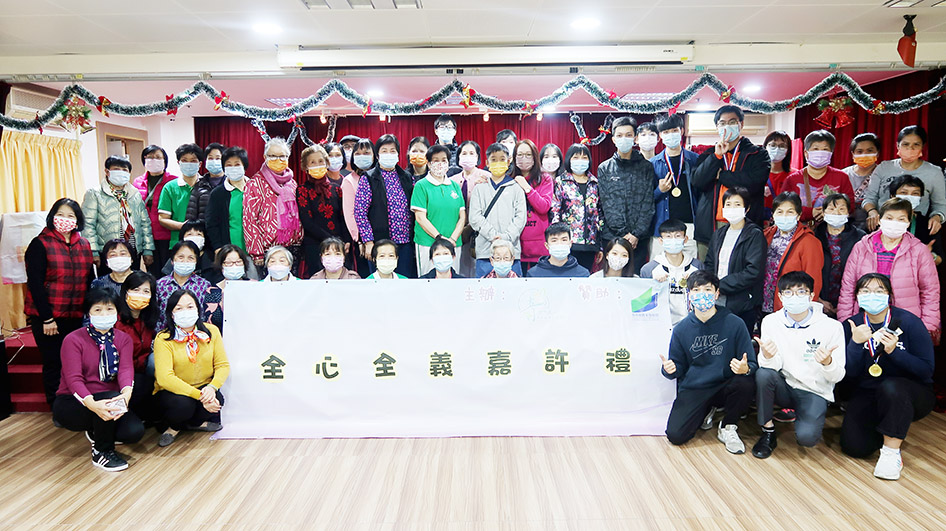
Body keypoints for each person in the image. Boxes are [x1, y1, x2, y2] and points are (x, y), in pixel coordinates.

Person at [840, 273, 935, 480]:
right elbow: (848, 375)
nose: (872, 295)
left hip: (909, 392)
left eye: (879, 291)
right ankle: (888, 428)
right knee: (855, 447)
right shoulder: (852, 325)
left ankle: (891, 452)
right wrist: (855, 344)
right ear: (857, 296)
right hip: (868, 392)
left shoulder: (909, 322)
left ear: (889, 295)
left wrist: (895, 353)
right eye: (865, 291)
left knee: (891, 387)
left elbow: (926, 370)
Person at [660, 270, 757, 454]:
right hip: (696, 387)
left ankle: (728, 426)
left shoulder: (735, 323)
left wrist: (745, 369)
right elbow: (678, 366)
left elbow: (751, 363)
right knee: (675, 435)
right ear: (689, 294)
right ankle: (707, 410)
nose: (702, 294)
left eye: (707, 289)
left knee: (745, 383)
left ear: (717, 293)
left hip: (725, 384)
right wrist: (669, 370)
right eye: (696, 290)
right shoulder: (681, 329)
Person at [752, 271, 845, 459]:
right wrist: (768, 356)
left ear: (811, 296)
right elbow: (771, 366)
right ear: (780, 296)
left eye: (801, 292)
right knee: (763, 374)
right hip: (785, 385)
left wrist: (828, 363)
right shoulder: (771, 322)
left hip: (813, 390)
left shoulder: (832, 327)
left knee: (807, 438)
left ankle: (806, 415)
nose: (794, 297)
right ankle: (768, 431)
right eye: (788, 292)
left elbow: (837, 376)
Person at [52, 288, 143, 471]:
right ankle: (102, 451)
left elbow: (126, 369)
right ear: (89, 313)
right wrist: (92, 404)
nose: (104, 314)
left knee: (134, 432)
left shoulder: (123, 339)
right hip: (75, 401)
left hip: (110, 398)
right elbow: (73, 379)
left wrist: (126, 394)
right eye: (98, 309)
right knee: (106, 401)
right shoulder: (73, 339)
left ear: (117, 312)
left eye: (109, 309)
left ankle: (97, 429)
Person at [25, 198, 94, 405]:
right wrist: (47, 318)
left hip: (75, 316)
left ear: (78, 220)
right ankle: (56, 405)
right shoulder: (40, 244)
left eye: (70, 216)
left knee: (74, 363)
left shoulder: (84, 244)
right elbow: (35, 284)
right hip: (48, 317)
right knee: (53, 362)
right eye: (60, 214)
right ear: (52, 217)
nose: (65, 219)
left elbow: (88, 280)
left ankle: (74, 403)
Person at [839, 197, 940, 338]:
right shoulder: (862, 247)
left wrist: (926, 327)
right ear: (880, 220)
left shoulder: (919, 250)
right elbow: (848, 288)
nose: (894, 223)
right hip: (864, 322)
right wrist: (846, 322)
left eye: (901, 219)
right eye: (889, 218)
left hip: (907, 324)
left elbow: (930, 291)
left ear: (908, 223)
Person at [692, 105, 770, 260]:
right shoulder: (708, 154)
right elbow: (697, 181)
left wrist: (721, 175)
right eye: (722, 123)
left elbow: (753, 183)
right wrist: (716, 157)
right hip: (711, 225)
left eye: (732, 122)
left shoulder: (757, 154)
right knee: (708, 271)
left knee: (739, 268)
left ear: (741, 124)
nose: (727, 126)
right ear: (717, 127)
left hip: (744, 224)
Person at [153, 288, 229, 447]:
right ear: (171, 314)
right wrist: (200, 396)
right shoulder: (163, 338)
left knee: (218, 400)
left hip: (203, 386)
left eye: (190, 307)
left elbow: (222, 365)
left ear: (197, 310)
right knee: (183, 405)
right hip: (174, 392)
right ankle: (173, 427)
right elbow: (165, 378)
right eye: (179, 308)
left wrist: (212, 388)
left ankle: (192, 424)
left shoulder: (211, 331)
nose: (185, 312)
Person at [702, 187, 766, 334]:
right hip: (716, 298)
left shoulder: (754, 234)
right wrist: (711, 285)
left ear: (746, 208)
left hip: (742, 302)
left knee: (737, 341)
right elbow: (710, 263)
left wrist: (721, 285)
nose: (732, 208)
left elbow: (753, 271)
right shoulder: (719, 234)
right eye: (728, 204)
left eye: (737, 204)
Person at [597, 116, 657, 274]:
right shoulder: (605, 168)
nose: (624, 139)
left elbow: (648, 203)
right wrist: (623, 235)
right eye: (619, 135)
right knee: (611, 276)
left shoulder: (646, 167)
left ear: (635, 138)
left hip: (639, 239)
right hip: (612, 237)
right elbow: (607, 204)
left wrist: (636, 234)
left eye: (628, 135)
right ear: (613, 139)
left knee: (634, 278)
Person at [862, 125, 945, 234]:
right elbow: (869, 198)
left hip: (916, 229)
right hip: (882, 225)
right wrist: (872, 211)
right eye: (905, 144)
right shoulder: (884, 168)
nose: (910, 149)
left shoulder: (934, 172)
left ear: (923, 146)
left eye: (916, 144)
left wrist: (937, 217)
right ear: (898, 145)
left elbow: (940, 204)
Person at [354, 134, 416, 278]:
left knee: (403, 281)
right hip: (380, 243)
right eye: (384, 151)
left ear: (398, 155)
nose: (389, 154)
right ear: (377, 155)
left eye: (392, 151)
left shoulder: (407, 177)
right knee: (380, 282)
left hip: (405, 242)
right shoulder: (368, 178)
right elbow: (360, 213)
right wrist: (368, 242)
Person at [82, 155, 153, 268]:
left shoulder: (135, 194)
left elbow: (145, 223)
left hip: (132, 249)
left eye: (124, 170)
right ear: (107, 171)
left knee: (132, 278)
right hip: (108, 251)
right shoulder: (94, 194)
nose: (121, 172)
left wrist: (148, 249)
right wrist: (93, 250)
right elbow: (88, 224)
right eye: (116, 169)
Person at [243, 137, 303, 269]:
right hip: (268, 251)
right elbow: (249, 220)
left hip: (293, 248)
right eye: (273, 156)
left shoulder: (292, 183)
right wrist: (257, 253)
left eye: (282, 156)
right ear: (265, 157)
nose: (278, 160)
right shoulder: (255, 183)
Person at [469, 143, 527, 277]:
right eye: (493, 160)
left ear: (509, 161)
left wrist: (505, 238)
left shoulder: (516, 188)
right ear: (487, 163)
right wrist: (493, 236)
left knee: (514, 288)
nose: (498, 163)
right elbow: (475, 217)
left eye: (502, 159)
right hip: (485, 251)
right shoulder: (479, 188)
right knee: (485, 288)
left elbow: (520, 218)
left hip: (511, 252)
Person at [763, 192, 824, 314]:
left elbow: (814, 280)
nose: (784, 216)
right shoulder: (765, 235)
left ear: (798, 215)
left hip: (791, 306)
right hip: (763, 302)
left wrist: (806, 308)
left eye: (790, 212)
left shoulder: (809, 242)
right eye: (780, 212)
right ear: (773, 215)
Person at [297, 144, 352, 278]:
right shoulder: (302, 190)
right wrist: (330, 240)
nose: (317, 165)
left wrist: (346, 240)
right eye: (313, 162)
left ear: (327, 163)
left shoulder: (336, 189)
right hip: (315, 245)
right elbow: (307, 222)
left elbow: (343, 217)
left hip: (339, 246)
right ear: (305, 166)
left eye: (321, 161)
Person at [410, 144, 466, 276]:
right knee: (428, 280)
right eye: (436, 160)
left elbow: (462, 216)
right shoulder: (421, 186)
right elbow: (420, 218)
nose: (440, 164)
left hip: (453, 244)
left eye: (444, 160)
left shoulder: (454, 186)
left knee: (453, 278)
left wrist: (452, 239)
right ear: (429, 163)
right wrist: (439, 238)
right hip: (428, 243)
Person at [778, 129, 855, 223]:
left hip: (832, 229)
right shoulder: (792, 179)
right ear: (806, 153)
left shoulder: (841, 177)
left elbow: (850, 206)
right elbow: (782, 207)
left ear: (831, 153)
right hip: (801, 229)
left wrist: (830, 212)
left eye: (825, 149)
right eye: (815, 149)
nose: (820, 153)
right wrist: (810, 212)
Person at [652, 113, 700, 258]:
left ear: (682, 131)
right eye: (666, 132)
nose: (671, 135)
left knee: (690, 267)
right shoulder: (653, 164)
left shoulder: (695, 160)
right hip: (662, 226)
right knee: (659, 267)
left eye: (674, 131)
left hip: (690, 226)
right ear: (660, 135)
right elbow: (646, 200)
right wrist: (659, 190)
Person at [115, 271, 159, 422]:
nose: (140, 295)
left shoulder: (149, 319)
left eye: (146, 291)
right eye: (136, 290)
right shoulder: (116, 320)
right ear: (126, 292)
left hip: (142, 371)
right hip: (121, 375)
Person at [641, 219, 703, 325]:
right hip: (661, 324)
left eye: (678, 236)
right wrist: (655, 285)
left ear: (685, 239)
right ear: (661, 240)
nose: (673, 240)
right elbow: (643, 304)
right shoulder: (649, 269)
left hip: (692, 324)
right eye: (668, 237)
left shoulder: (697, 266)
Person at [551, 143, 601, 272]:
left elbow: (599, 213)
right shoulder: (561, 181)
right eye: (576, 157)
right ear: (569, 159)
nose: (580, 161)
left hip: (590, 243)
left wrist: (599, 245)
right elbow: (555, 211)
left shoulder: (595, 183)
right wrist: (557, 240)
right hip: (568, 243)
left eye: (584, 157)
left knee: (585, 277)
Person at [815, 193, 866, 318]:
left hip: (850, 301)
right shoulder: (814, 236)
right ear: (823, 212)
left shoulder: (860, 238)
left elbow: (863, 272)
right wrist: (817, 299)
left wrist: (847, 303)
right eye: (831, 209)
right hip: (819, 301)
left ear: (848, 213)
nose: (836, 213)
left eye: (841, 209)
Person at [133, 145, 177, 277]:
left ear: (165, 161)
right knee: (152, 273)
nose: (153, 160)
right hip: (146, 236)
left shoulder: (173, 181)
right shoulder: (138, 182)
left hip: (167, 235)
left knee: (169, 271)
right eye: (150, 157)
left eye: (158, 157)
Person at [514, 140, 555, 273]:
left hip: (539, 245)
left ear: (535, 157)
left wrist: (527, 188)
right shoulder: (510, 179)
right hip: (516, 244)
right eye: (520, 155)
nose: (524, 158)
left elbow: (544, 207)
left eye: (528, 155)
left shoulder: (545, 179)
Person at [887, 174, 943, 265]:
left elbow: (940, 259)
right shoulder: (881, 222)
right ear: (893, 196)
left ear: (920, 198)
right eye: (904, 193)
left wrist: (930, 256)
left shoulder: (928, 224)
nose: (909, 197)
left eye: (915, 193)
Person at [455, 140, 491, 277]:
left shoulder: (487, 177)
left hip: (480, 232)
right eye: (464, 153)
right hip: (458, 231)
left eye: (471, 153)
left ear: (477, 157)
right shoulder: (452, 180)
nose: (467, 156)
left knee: (478, 271)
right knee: (461, 269)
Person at [156, 240, 210, 330]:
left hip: (196, 335)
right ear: (172, 260)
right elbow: (155, 314)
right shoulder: (160, 285)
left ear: (196, 261)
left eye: (191, 258)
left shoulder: (204, 285)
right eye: (181, 257)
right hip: (166, 334)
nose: (185, 261)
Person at [157, 143, 204, 247]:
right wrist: (184, 226)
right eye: (184, 160)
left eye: (193, 161)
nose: (189, 164)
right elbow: (163, 219)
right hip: (178, 243)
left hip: (206, 243)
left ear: (200, 164)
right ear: (179, 163)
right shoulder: (170, 187)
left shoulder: (207, 185)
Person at [206, 146, 248, 254]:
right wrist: (218, 247)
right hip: (229, 252)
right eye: (229, 165)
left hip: (256, 252)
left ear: (244, 166)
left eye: (237, 164)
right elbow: (211, 223)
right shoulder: (217, 193)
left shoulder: (255, 189)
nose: (233, 168)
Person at [342, 138, 375, 277]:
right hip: (362, 240)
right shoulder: (349, 181)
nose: (362, 157)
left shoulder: (380, 176)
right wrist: (361, 239)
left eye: (366, 153)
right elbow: (350, 214)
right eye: (358, 154)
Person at [204, 244, 255, 330]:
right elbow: (213, 321)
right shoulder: (212, 291)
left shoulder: (254, 285)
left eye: (238, 262)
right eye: (228, 263)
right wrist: (223, 302)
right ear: (221, 265)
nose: (234, 266)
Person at [842, 133, 881, 228]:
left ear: (877, 153)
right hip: (846, 227)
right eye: (859, 151)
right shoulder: (843, 175)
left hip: (874, 227)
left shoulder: (883, 174)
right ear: (853, 154)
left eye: (870, 151)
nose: (864, 154)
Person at [526, 223, 590, 278]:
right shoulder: (533, 274)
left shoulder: (583, 274)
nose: (559, 244)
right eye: (554, 240)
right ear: (547, 245)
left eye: (564, 240)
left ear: (570, 243)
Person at [185, 142, 227, 224]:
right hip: (203, 230)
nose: (214, 161)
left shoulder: (231, 184)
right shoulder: (199, 185)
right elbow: (191, 217)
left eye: (218, 158)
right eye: (210, 158)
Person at [763, 131, 794, 219]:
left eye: (782, 146)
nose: (777, 149)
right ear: (765, 147)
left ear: (788, 150)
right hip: (761, 222)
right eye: (773, 145)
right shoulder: (756, 174)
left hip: (786, 220)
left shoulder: (794, 176)